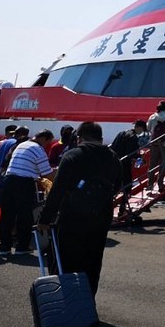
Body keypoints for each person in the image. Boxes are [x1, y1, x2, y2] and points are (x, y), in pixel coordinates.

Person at [37, 121, 123, 296]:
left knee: (67, 260)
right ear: (100, 138)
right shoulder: (113, 157)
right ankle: (87, 302)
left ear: (79, 138)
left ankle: (68, 301)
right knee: (93, 261)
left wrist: (45, 219)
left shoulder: (73, 155)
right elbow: (118, 185)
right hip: (101, 217)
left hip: (72, 217)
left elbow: (57, 190)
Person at [0, 129, 54, 255]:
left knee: (7, 215)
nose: (46, 145)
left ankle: (4, 247)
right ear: (43, 139)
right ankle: (22, 247)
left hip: (9, 181)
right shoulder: (38, 149)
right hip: (24, 184)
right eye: (48, 142)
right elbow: (47, 174)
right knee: (25, 216)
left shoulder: (21, 145)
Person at [110, 120, 147, 210]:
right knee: (127, 186)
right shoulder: (133, 138)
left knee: (115, 186)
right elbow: (131, 153)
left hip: (114, 162)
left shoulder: (121, 133)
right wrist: (141, 158)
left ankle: (108, 205)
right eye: (142, 130)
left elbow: (113, 146)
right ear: (139, 127)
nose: (141, 132)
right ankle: (122, 208)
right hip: (125, 164)